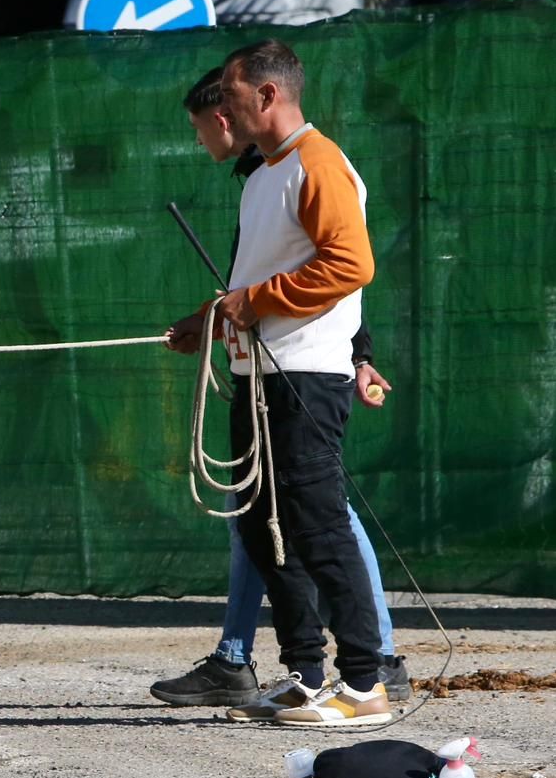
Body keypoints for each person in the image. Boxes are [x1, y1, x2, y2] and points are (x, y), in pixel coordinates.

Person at [148, 68, 409, 710]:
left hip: (306, 378)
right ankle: (306, 675)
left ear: (266, 95)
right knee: (264, 529)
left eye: (230, 103)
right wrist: (208, 321)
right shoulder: (263, 174)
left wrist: (253, 303)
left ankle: (364, 680)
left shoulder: (319, 163)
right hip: (256, 375)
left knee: (318, 526)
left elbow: (351, 265)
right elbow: (257, 282)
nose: (224, 119)